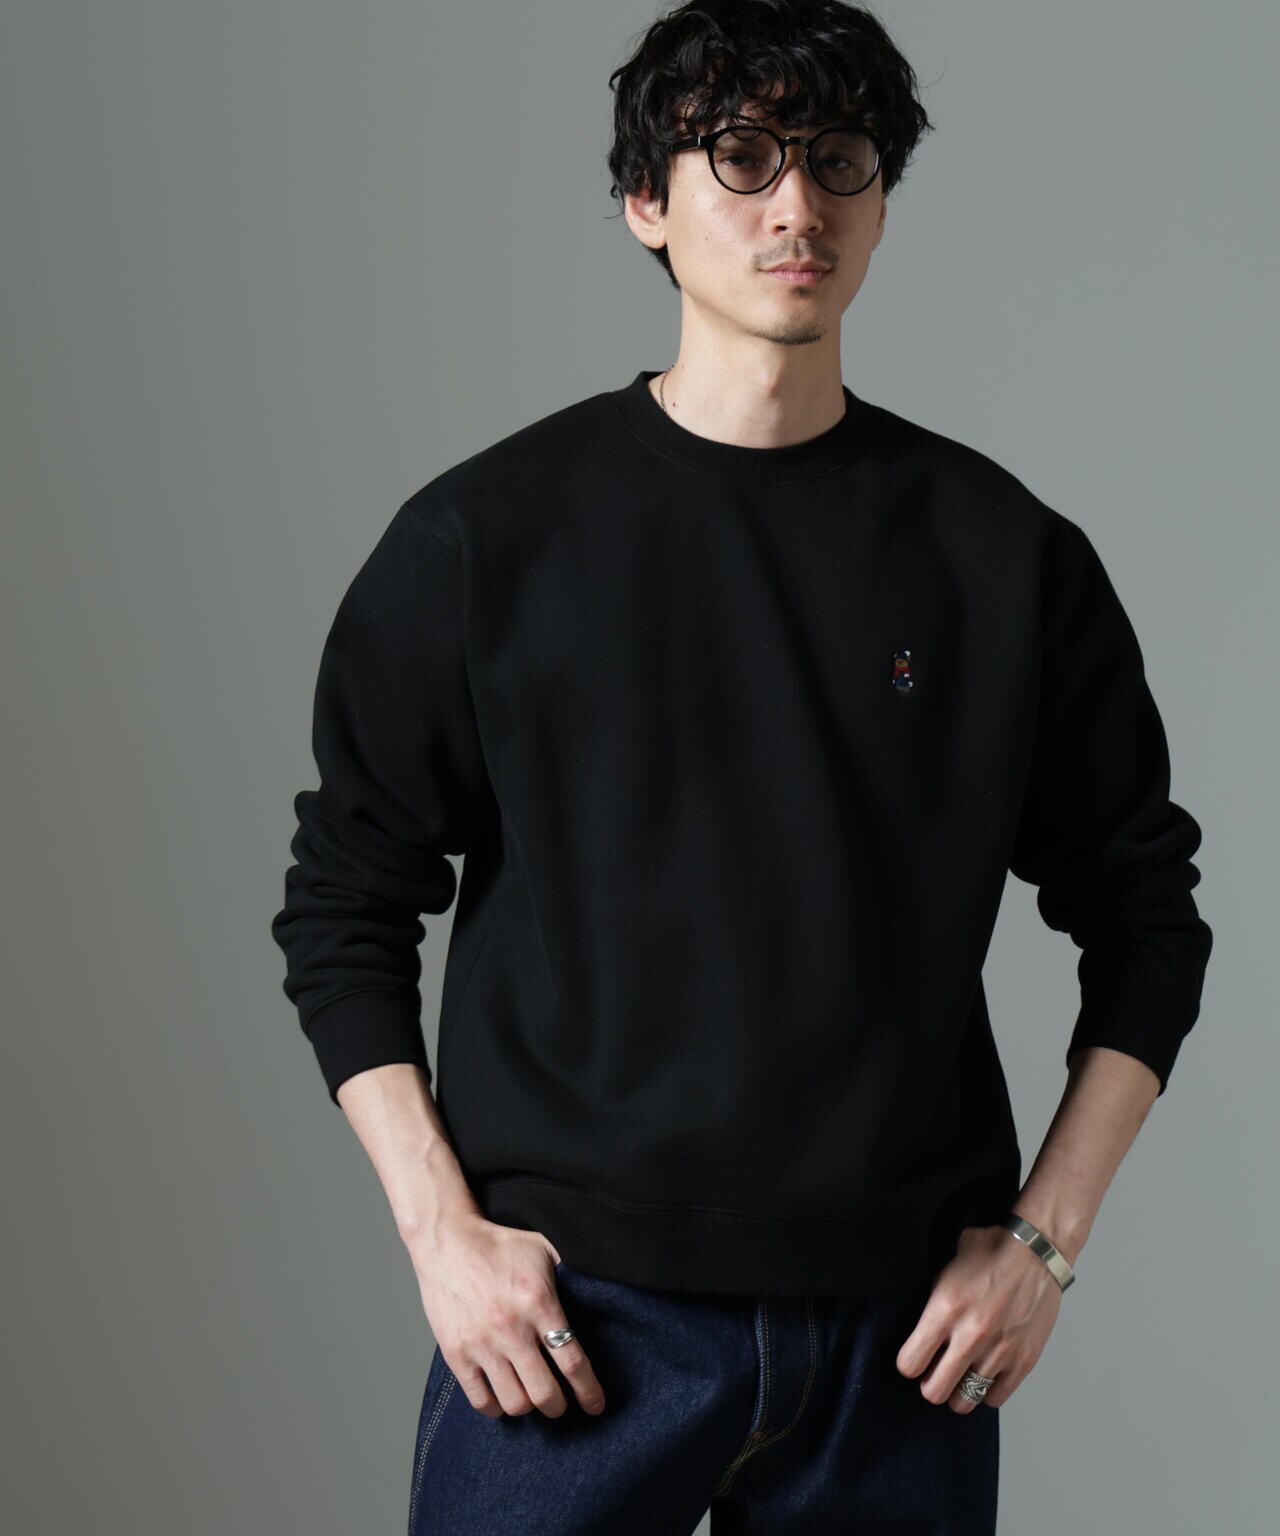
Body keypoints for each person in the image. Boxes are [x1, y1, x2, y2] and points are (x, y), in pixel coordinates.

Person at [269, 2, 1213, 1531]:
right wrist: (443, 1236)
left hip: (900, 1344)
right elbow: (344, 901)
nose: (797, 205)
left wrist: (1044, 1242)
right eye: (744, 156)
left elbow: (1148, 918)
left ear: (882, 203)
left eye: (840, 160)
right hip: (573, 1325)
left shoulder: (1002, 558)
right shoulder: (486, 540)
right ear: (647, 201)